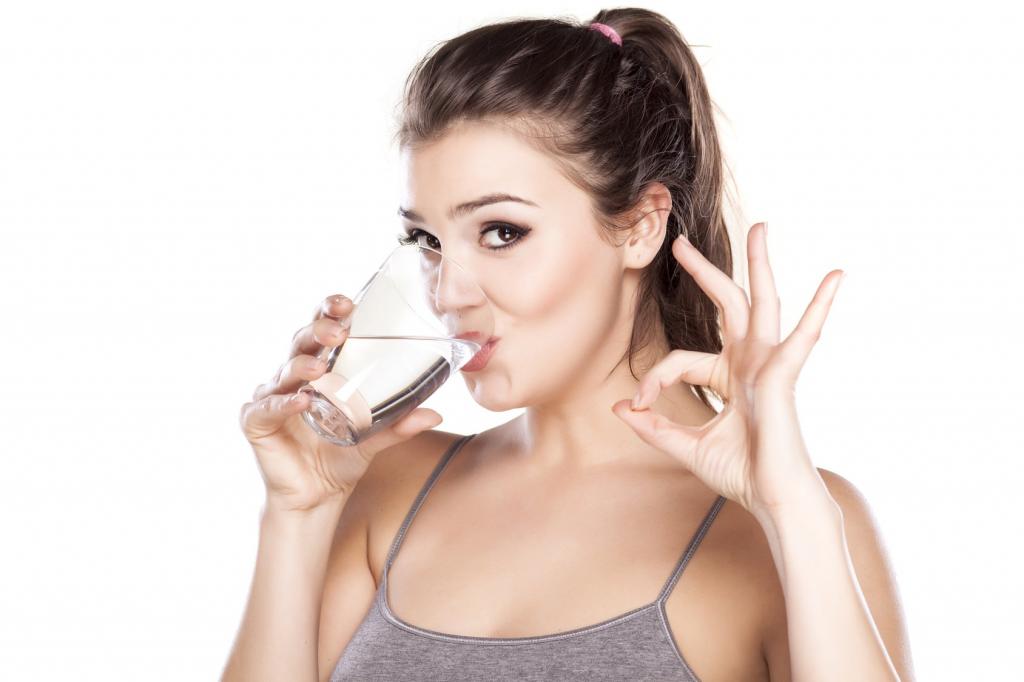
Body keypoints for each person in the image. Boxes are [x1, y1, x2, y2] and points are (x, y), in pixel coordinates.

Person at [222, 8, 915, 681]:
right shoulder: (385, 487)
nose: (446, 292)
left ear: (642, 226)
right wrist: (298, 514)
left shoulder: (786, 521)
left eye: (501, 232)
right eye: (428, 241)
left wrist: (791, 511)